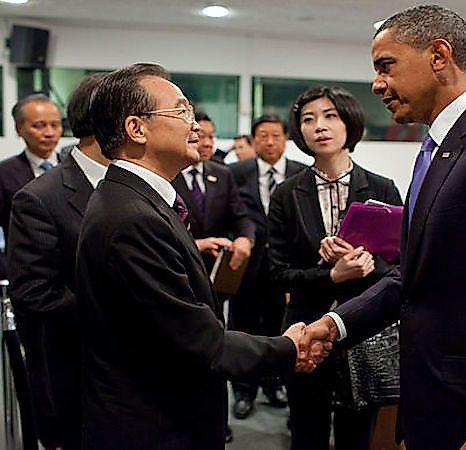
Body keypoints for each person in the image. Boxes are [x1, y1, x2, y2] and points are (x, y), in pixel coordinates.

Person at [304, 5, 466, 450]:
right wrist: (334, 325)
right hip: (437, 408)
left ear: (439, 55)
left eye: (386, 66)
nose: (377, 85)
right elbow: (413, 279)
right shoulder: (439, 147)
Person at [76, 63, 321, 450]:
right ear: (136, 129)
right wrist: (289, 347)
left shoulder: (135, 200)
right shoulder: (132, 218)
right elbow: (201, 344)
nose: (197, 127)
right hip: (154, 423)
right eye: (181, 112)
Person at [269, 86, 402, 450]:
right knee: (306, 429)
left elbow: (399, 269)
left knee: (357, 434)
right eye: (308, 120)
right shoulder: (286, 193)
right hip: (305, 327)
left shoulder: (382, 188)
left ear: (349, 124)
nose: (319, 127)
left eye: (330, 116)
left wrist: (367, 266)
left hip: (362, 329)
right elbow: (276, 273)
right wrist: (330, 275)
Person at [7, 73, 108, 450]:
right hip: (75, 362)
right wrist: (112, 313)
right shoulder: (39, 198)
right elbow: (34, 291)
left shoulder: (133, 184)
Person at [228, 115, 306, 419]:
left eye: (275, 135)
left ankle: (274, 386)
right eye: (262, 136)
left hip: (284, 268)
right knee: (242, 328)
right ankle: (243, 391)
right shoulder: (234, 173)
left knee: (278, 328)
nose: (270, 142)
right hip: (246, 267)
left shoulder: (301, 173)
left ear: (286, 138)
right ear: (253, 139)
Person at [0, 94, 63, 282]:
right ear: (19, 128)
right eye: (39, 125)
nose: (49, 132)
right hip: (28, 280)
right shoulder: (0, 175)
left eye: (55, 125)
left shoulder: (73, 167)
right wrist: (7, 276)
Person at [171, 112, 254, 272]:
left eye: (212, 137)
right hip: (179, 267)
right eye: (201, 136)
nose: (208, 144)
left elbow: (240, 216)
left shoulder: (223, 174)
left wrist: (245, 238)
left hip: (216, 270)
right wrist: (196, 245)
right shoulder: (168, 175)